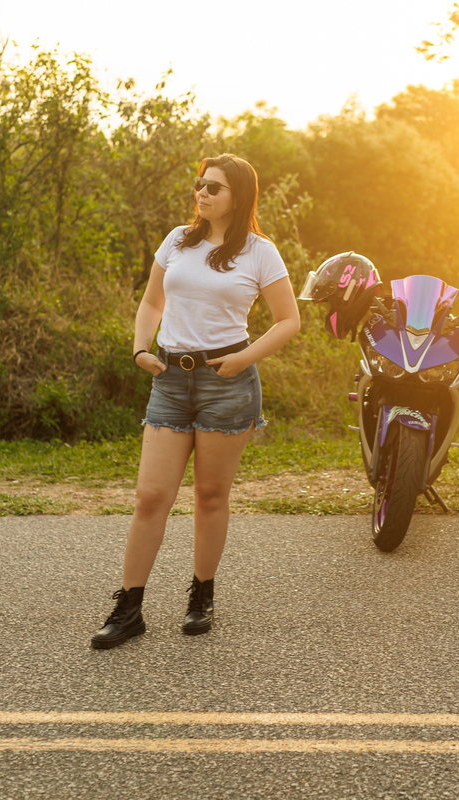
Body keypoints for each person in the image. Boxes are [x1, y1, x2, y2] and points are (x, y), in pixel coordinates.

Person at [91, 154, 300, 648]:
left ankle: (201, 596)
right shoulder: (177, 240)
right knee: (151, 497)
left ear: (239, 196)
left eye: (214, 188)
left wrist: (243, 357)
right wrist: (140, 347)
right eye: (199, 184)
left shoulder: (259, 252)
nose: (202, 193)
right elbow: (151, 302)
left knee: (210, 496)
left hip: (226, 382)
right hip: (169, 378)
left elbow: (289, 320)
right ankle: (129, 607)